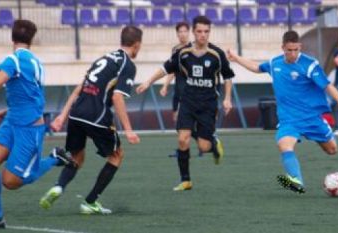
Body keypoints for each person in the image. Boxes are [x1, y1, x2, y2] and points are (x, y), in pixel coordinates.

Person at [0, 19, 75, 230]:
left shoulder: (14, 60)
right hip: (13, 122)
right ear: (31, 39)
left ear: (12, 37)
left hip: (29, 128)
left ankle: (55, 158)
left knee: (10, 182)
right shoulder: (35, 62)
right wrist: (3, 113)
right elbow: (28, 97)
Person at [227, 30, 338, 193]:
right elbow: (256, 67)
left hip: (311, 117)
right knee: (284, 144)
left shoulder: (309, 64)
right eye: (290, 50)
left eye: (296, 49)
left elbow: (327, 85)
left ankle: (319, 133)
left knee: (332, 150)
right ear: (283, 48)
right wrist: (236, 58)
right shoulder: (275, 63)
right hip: (289, 119)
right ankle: (297, 182)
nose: (293, 53)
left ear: (300, 47)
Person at [39, 26, 142, 214]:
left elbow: (80, 87)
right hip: (97, 115)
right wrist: (128, 130)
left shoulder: (103, 59)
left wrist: (62, 115)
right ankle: (90, 202)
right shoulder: (127, 65)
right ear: (137, 45)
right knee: (117, 155)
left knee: (77, 156)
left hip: (76, 113)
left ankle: (59, 186)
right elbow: (117, 98)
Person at [136, 16, 233, 191]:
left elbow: (228, 76)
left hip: (208, 105)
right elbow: (165, 68)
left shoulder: (217, 54)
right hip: (188, 102)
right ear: (193, 32)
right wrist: (148, 82)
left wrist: (227, 98)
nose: (203, 35)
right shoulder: (183, 53)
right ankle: (186, 180)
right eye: (199, 31)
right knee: (182, 139)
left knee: (203, 146)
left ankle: (214, 145)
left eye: (206, 31)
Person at [159, 22, 190, 122]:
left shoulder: (194, 48)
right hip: (179, 87)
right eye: (180, 31)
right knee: (176, 116)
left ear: (189, 33)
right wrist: (165, 86)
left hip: (191, 88)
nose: (183, 34)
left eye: (185, 31)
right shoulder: (175, 50)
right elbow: (171, 69)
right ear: (177, 34)